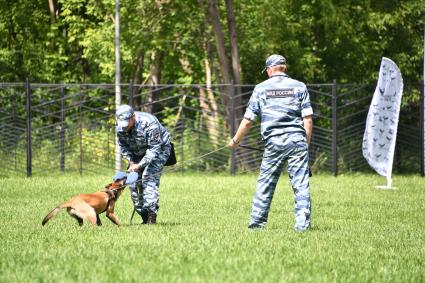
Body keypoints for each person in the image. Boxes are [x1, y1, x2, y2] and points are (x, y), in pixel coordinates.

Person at [228, 54, 313, 231]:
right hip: (298, 141)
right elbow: (308, 119)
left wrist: (235, 141)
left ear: (269, 70)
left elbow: (248, 120)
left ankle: (257, 225)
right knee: (301, 184)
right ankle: (302, 225)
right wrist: (305, 145)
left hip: (273, 143)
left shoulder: (261, 88)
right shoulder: (299, 87)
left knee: (265, 184)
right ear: (284, 68)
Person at [115, 104, 171, 224]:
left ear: (132, 117)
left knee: (147, 178)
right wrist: (132, 162)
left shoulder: (150, 123)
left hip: (159, 151)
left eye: (126, 123)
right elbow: (123, 146)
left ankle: (151, 217)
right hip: (137, 153)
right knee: (133, 182)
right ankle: (143, 216)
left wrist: (140, 165)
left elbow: (155, 148)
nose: (124, 127)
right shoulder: (120, 126)